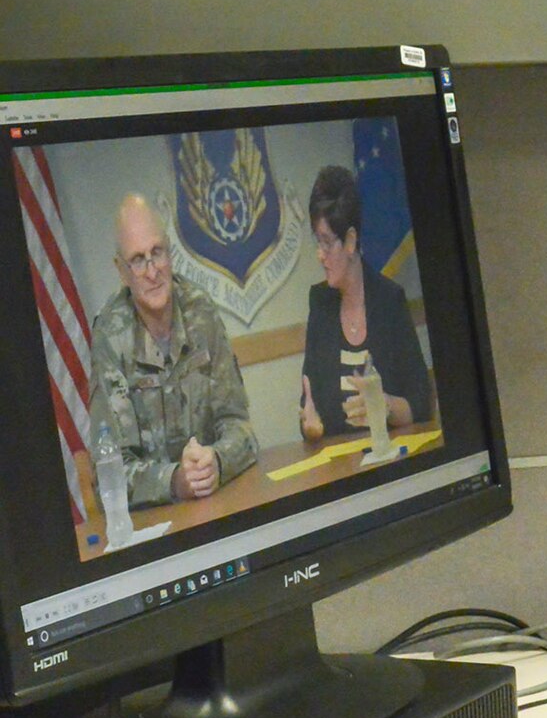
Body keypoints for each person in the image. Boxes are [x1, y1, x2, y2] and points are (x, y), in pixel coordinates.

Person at [85, 194, 257, 507]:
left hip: (216, 504)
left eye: (157, 253)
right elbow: (107, 473)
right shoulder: (110, 336)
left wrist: (216, 461)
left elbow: (241, 428)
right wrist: (174, 480)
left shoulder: (201, 311)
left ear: (170, 250)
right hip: (156, 524)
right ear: (121, 271)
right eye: (138, 260)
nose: (152, 271)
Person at [298, 164, 434, 443]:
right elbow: (309, 404)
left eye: (326, 243)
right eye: (317, 242)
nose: (319, 255)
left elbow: (422, 403)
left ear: (350, 240)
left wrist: (385, 406)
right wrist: (310, 427)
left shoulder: (389, 300)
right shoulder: (320, 304)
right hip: (339, 470)